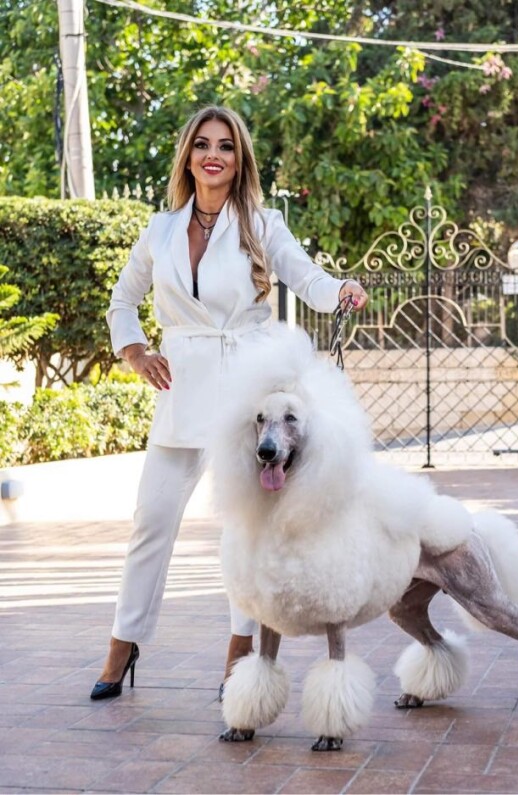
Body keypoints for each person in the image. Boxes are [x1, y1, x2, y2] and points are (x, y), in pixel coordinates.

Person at [90, 105, 368, 700]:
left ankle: (241, 656)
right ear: (188, 156)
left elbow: (309, 278)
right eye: (202, 144)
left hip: (250, 396)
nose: (212, 154)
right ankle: (123, 644)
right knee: (151, 523)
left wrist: (339, 289)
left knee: (245, 532)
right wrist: (135, 351)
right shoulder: (159, 230)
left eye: (225, 146)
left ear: (239, 160)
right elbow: (121, 301)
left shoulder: (263, 224)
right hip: (181, 390)